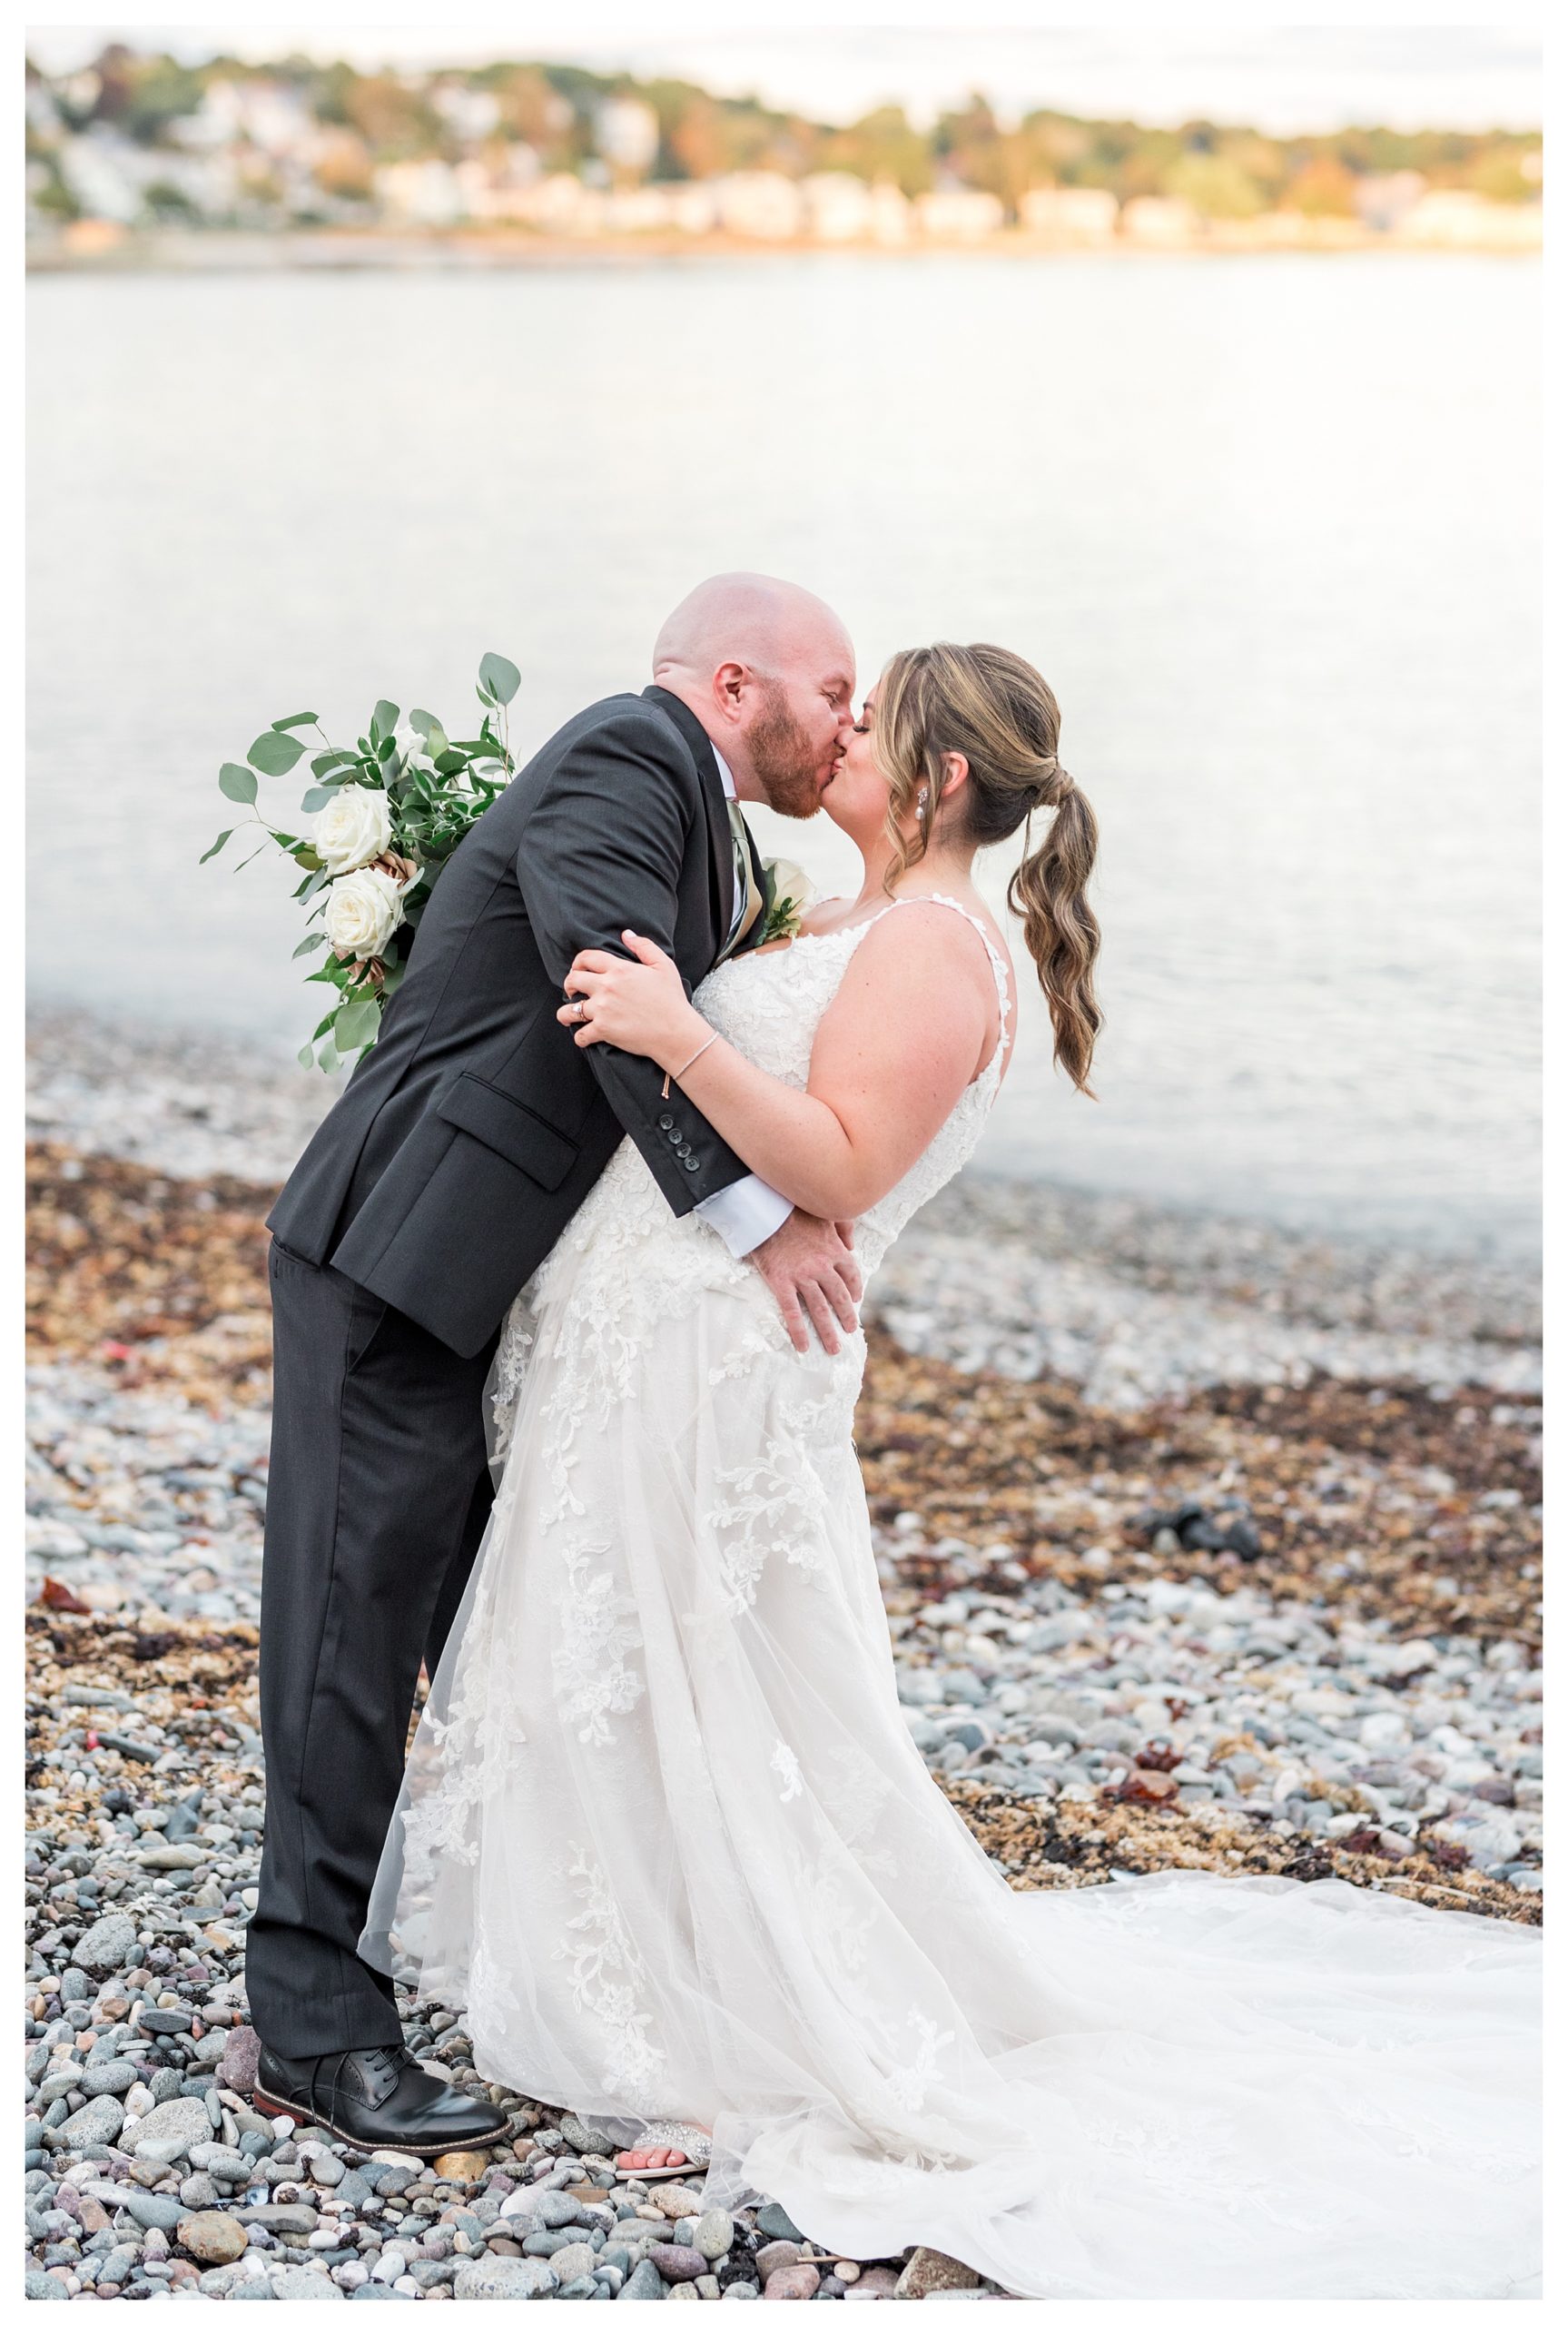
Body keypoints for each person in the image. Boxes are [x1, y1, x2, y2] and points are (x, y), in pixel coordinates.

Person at [364, 639, 1538, 2297]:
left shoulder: (932, 944)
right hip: (657, 1347)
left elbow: (841, 1161)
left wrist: (671, 1032)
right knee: (650, 1657)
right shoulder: (857, 924)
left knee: (711, 1666)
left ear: (937, 781)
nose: (837, 732)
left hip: (715, 1367)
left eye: (869, 719)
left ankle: (709, 1984)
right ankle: (626, 1931)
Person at [248, 575, 865, 2152]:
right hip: (397, 1249)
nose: (848, 723)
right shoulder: (625, 753)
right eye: (835, 690)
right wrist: (755, 1220)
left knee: (500, 1631)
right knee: (346, 1631)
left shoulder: (707, 817)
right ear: (738, 683)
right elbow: (607, 997)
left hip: (482, 1280)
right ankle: (312, 2031)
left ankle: (531, 1962)